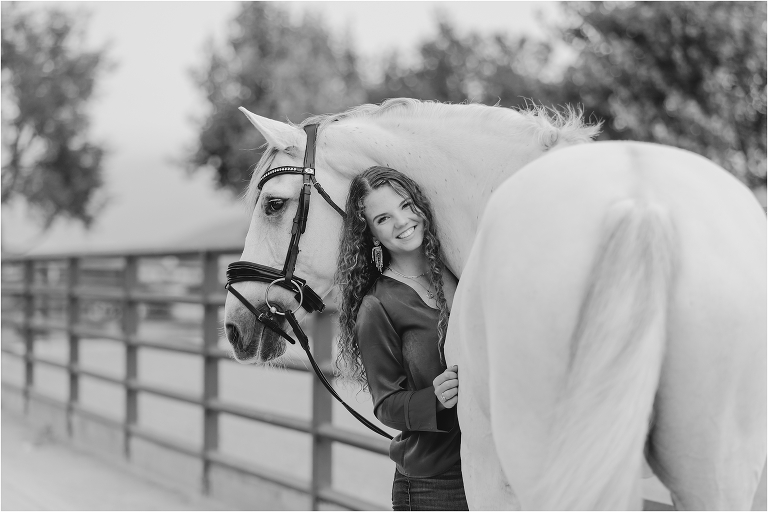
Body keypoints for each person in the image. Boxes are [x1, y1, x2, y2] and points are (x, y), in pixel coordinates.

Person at [335, 166, 467, 511]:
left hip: (494, 459)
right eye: (383, 218)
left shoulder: (461, 272)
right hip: (437, 480)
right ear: (372, 234)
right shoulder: (377, 305)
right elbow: (387, 404)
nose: (402, 222)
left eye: (407, 206)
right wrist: (435, 398)